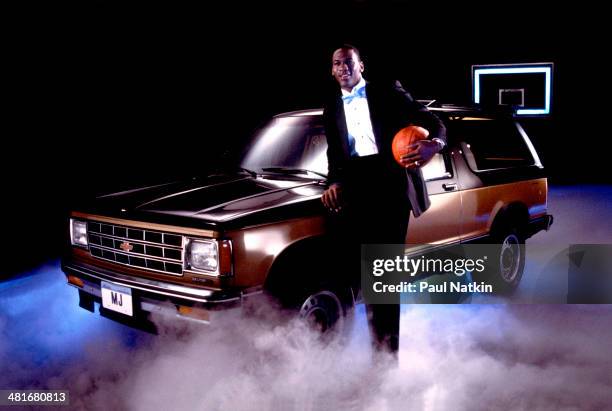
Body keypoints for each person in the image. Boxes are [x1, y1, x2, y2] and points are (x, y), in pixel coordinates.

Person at [321, 44, 446, 355]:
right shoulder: (331, 106)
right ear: (331, 70)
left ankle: (386, 360)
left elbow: (435, 123)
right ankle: (364, 347)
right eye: (337, 63)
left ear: (361, 65)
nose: (343, 68)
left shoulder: (388, 91)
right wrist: (334, 181)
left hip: (390, 189)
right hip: (354, 191)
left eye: (349, 62)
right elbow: (335, 154)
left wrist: (435, 144)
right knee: (358, 276)